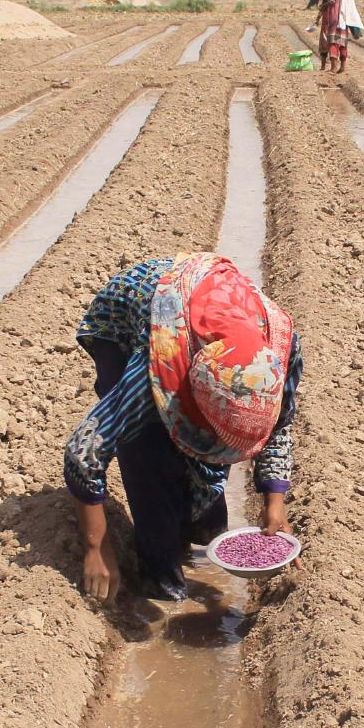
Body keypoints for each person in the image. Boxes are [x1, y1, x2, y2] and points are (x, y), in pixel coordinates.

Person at [67, 253, 301, 601]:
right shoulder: (152, 375)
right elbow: (83, 452)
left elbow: (278, 425)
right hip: (129, 313)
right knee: (148, 447)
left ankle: (195, 526)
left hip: (202, 303)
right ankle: (157, 574)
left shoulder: (279, 348)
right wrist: (96, 547)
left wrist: (274, 500)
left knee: (206, 522)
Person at [318, 0, 361, 73]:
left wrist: (323, 5)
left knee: (332, 40)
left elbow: (332, 0)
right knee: (341, 41)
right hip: (343, 17)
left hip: (333, 16)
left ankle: (333, 67)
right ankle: (342, 66)